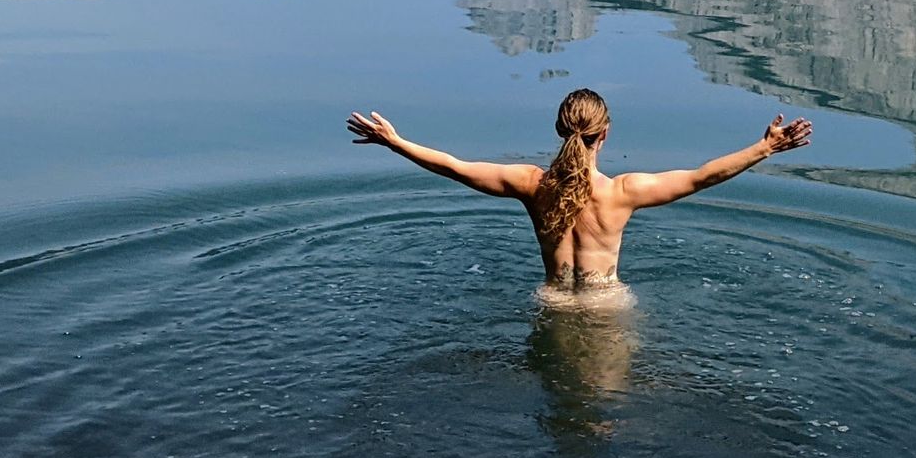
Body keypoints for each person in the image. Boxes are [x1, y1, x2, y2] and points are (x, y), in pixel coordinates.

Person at [345, 87, 812, 290]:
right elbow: (701, 175)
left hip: (550, 304)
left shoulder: (531, 185)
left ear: (558, 130)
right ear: (605, 135)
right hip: (606, 309)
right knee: (604, 414)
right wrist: (763, 149)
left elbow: (454, 167)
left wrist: (395, 141)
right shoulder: (622, 192)